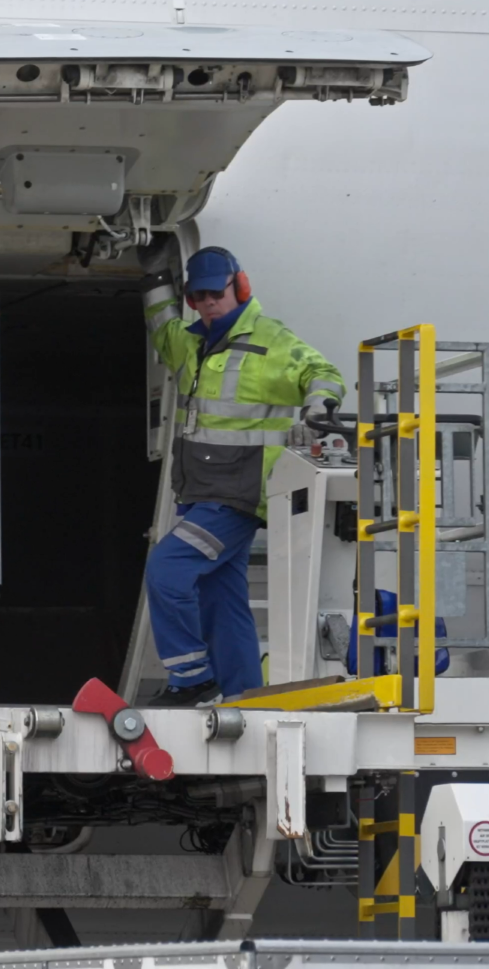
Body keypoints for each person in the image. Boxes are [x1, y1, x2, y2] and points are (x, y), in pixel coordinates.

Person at [136, 243, 346, 706]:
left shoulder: (270, 339)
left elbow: (322, 372)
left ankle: (191, 677)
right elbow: (162, 327)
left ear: (241, 287)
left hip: (238, 495)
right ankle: (245, 699)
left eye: (217, 293)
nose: (209, 303)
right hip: (201, 492)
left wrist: (318, 408)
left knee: (167, 569)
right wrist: (155, 278)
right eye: (199, 296)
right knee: (222, 598)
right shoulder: (189, 343)